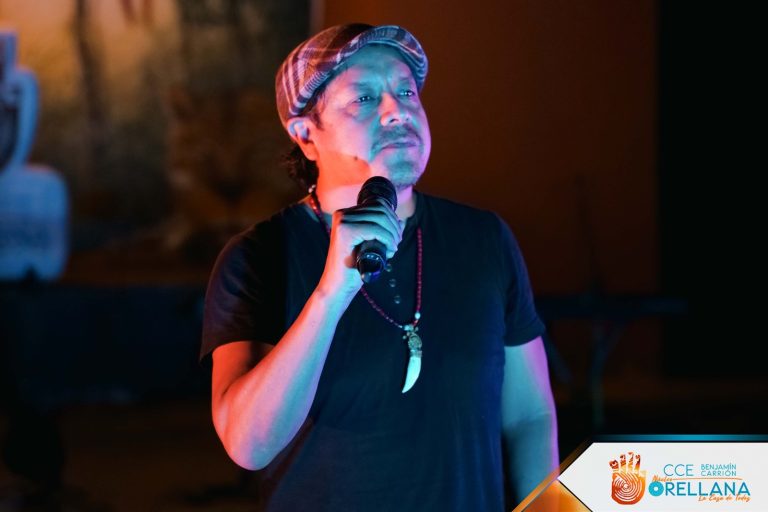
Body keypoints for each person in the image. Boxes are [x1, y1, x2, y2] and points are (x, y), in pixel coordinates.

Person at [200, 23, 558, 511]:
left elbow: (529, 416)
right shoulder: (259, 257)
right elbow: (248, 445)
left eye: (406, 92)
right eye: (364, 99)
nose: (397, 111)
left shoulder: (484, 238)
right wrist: (331, 294)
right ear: (305, 135)